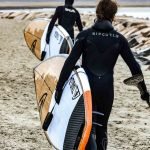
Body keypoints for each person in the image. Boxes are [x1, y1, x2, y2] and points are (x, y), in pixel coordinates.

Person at [54, 0, 150, 149]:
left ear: (97, 13)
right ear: (114, 16)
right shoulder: (120, 39)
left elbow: (70, 62)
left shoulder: (85, 35)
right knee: (102, 128)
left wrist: (59, 87)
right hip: (106, 90)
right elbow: (135, 68)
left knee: (84, 126)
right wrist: (144, 93)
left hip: (87, 89)